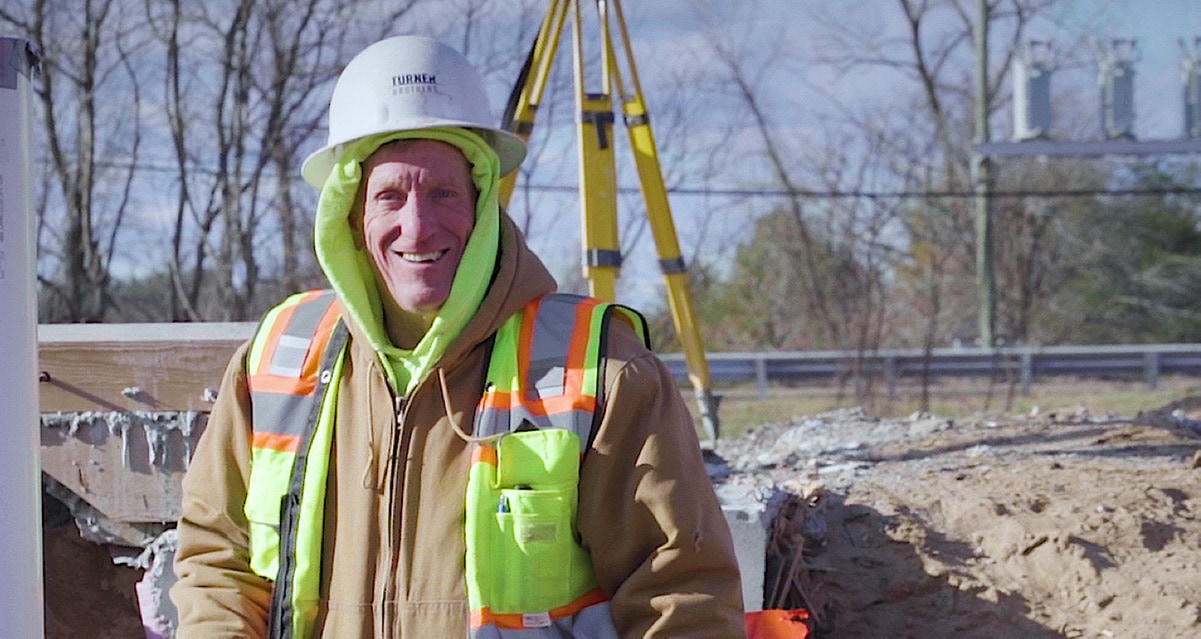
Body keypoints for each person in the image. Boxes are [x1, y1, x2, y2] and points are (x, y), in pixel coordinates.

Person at [170, 35, 746, 638]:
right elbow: (218, 559)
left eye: (443, 193)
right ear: (350, 213)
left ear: (483, 203)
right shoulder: (278, 362)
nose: (417, 227)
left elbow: (682, 597)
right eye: (389, 195)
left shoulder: (600, 373)